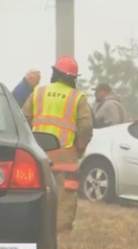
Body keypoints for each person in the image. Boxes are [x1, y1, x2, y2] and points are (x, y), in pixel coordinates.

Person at [22, 56, 93, 236]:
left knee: (35, 193)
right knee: (66, 198)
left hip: (38, 155)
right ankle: (61, 235)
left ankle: (35, 230)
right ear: (73, 78)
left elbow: (24, 120)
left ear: (55, 73)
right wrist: (80, 148)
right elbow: (86, 127)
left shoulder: (38, 92)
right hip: (66, 159)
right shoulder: (78, 98)